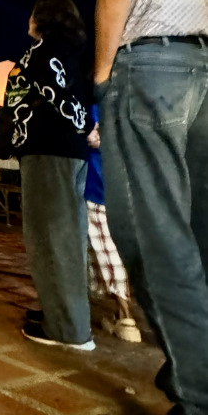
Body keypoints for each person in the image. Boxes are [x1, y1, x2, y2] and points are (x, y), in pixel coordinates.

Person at [87, 0, 208, 415]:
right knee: (199, 232)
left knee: (152, 238)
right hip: (205, 70)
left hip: (151, 67)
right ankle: (196, 365)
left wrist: (104, 76)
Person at [0, 0, 95, 350]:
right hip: (66, 153)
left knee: (51, 238)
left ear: (44, 18)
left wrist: (80, 124)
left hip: (48, 152)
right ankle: (60, 313)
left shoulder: (43, 53)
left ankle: (68, 329)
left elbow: (58, 97)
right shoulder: (71, 55)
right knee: (64, 234)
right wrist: (84, 127)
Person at [84, 110, 140, 343]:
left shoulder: (96, 103)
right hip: (123, 186)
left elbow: (91, 137)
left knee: (106, 249)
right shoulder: (126, 100)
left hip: (97, 184)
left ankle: (126, 316)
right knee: (116, 248)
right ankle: (122, 313)